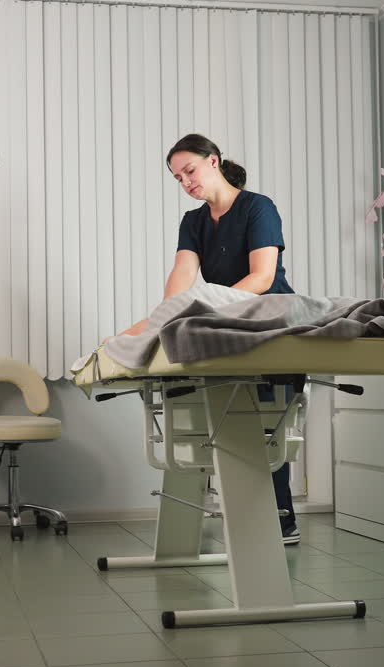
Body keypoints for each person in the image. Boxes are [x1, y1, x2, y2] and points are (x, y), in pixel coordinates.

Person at [116, 133, 301, 545]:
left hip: (267, 317)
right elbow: (181, 279)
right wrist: (165, 318)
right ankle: (209, 514)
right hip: (222, 320)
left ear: (213, 161)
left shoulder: (258, 207)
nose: (185, 182)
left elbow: (262, 278)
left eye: (190, 171)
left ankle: (280, 517)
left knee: (265, 426)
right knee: (209, 410)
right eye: (178, 177)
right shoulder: (193, 222)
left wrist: (205, 305)